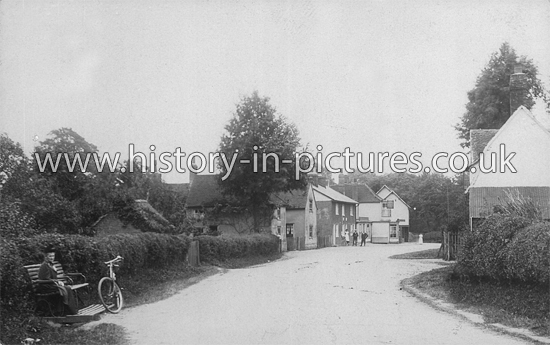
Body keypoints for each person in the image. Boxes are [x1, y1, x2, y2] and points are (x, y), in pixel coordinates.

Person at [37, 249, 78, 315]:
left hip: (51, 284)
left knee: (67, 288)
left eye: (53, 256)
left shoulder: (51, 265)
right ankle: (67, 311)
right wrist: (57, 282)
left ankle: (69, 310)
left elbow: (53, 277)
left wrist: (57, 281)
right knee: (66, 288)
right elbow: (45, 278)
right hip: (45, 286)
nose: (52, 258)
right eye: (50, 256)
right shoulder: (44, 266)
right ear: (46, 257)